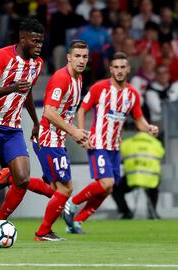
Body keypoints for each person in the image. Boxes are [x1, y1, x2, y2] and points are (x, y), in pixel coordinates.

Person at [63, 52, 159, 234]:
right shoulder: (99, 88)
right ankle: (72, 203)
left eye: (123, 67)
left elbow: (139, 120)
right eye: (116, 67)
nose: (120, 71)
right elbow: (82, 110)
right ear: (111, 69)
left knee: (107, 189)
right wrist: (84, 134)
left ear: (128, 69)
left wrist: (149, 128)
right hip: (98, 143)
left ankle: (76, 223)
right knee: (106, 183)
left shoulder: (132, 94)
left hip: (115, 147)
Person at [0, 18, 44, 247]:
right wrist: (13, 87)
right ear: (22, 39)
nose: (39, 46)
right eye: (35, 41)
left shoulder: (37, 64)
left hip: (13, 127)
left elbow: (28, 93)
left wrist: (35, 121)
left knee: (22, 179)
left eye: (41, 41)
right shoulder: (1, 56)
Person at [32, 40, 89, 241]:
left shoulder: (78, 78)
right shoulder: (61, 78)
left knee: (54, 190)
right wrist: (74, 131)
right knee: (66, 188)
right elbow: (48, 111)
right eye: (77, 56)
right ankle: (43, 232)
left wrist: (77, 132)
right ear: (69, 57)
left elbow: (66, 112)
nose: (81, 60)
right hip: (48, 139)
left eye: (84, 56)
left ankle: (12, 179)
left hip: (56, 139)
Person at [112, 132, 165, 219]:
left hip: (132, 179)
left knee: (115, 188)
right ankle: (152, 212)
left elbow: (120, 153)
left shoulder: (128, 143)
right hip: (150, 179)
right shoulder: (156, 144)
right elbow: (161, 154)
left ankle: (126, 213)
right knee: (154, 188)